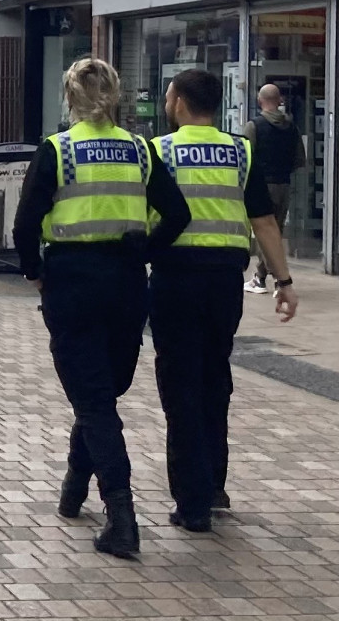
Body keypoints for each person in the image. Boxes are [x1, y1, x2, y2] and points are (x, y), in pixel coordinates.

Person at [13, 57, 190, 558]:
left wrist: (34, 270)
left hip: (71, 283)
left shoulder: (58, 150)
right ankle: (74, 489)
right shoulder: (139, 150)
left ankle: (122, 516)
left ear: (69, 97)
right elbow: (177, 214)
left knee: (93, 401)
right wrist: (145, 252)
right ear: (115, 95)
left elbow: (25, 226)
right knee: (102, 394)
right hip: (127, 285)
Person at [150, 70, 299, 534]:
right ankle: (214, 484)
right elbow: (266, 223)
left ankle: (192, 502)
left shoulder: (160, 151)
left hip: (175, 278)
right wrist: (284, 280)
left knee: (180, 384)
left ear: (176, 101)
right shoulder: (240, 151)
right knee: (215, 377)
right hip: (222, 284)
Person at [242, 84, 306, 294]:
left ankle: (274, 278)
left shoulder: (254, 126)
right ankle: (262, 277)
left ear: (260, 101)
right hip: (284, 184)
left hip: (261, 185)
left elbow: (246, 157)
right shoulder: (292, 128)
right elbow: (299, 159)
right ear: (279, 101)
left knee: (262, 232)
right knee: (275, 230)